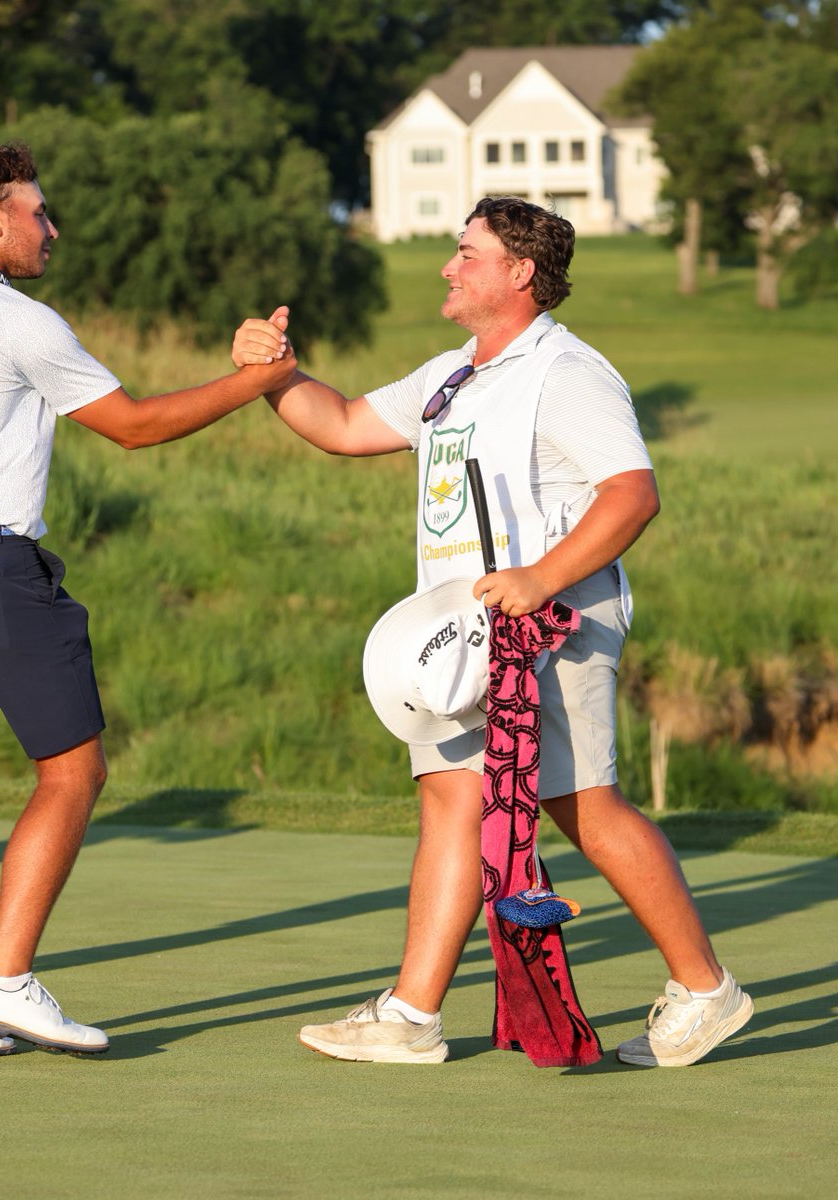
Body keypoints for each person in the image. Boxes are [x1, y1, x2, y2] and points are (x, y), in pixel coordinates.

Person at [231, 196, 752, 1068]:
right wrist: (275, 374)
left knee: (580, 801)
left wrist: (542, 579)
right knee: (450, 800)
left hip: (554, 623)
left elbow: (631, 493)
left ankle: (706, 990)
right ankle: (411, 1014)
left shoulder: (569, 372)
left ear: (519, 273)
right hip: (461, 641)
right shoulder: (452, 374)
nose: (449, 266)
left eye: (467, 254)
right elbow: (348, 425)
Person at [0, 143, 296, 1060]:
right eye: (38, 211)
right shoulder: (21, 319)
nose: (52, 228)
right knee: (74, 774)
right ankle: (4, 982)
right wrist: (259, 383)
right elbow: (134, 426)